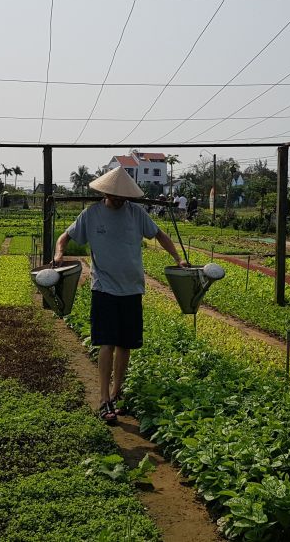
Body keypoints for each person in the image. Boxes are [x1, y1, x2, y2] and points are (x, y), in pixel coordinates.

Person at [54, 167, 188, 424]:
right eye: (115, 196)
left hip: (132, 289)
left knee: (125, 345)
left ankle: (117, 393)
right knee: (106, 343)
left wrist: (177, 258)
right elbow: (65, 237)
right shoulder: (91, 214)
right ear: (105, 193)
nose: (119, 200)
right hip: (103, 288)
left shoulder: (136, 214)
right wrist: (59, 253)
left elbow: (159, 235)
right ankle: (103, 398)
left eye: (123, 197)